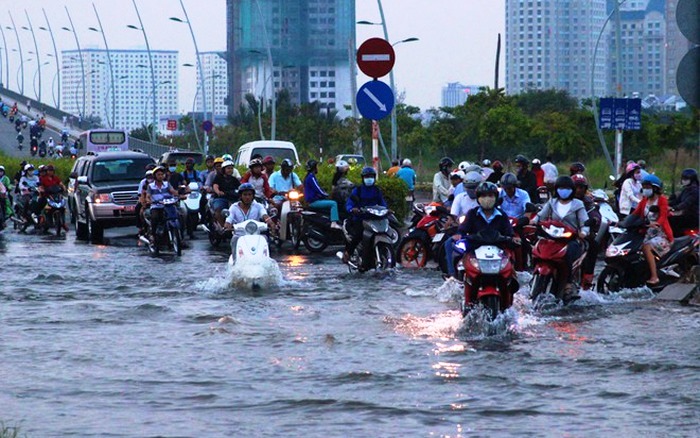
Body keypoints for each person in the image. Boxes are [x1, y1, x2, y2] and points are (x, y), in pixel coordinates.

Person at [531, 176, 590, 300]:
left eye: (567, 188)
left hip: (570, 240)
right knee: (538, 249)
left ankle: (568, 283)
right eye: (561, 188)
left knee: (568, 254)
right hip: (552, 238)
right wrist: (533, 221)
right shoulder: (552, 202)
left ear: (572, 190)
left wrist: (584, 232)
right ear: (556, 189)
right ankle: (534, 275)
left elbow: (584, 223)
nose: (563, 191)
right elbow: (541, 216)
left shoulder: (578, 204)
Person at [445, 182, 516, 282]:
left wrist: (514, 239)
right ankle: (453, 276)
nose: (487, 198)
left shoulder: (502, 215)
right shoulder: (472, 214)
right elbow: (462, 230)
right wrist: (459, 235)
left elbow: (509, 233)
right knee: (451, 245)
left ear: (496, 197)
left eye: (490, 195)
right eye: (483, 195)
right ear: (478, 198)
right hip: (475, 249)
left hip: (498, 251)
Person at [630, 175, 672, 286]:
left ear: (655, 188)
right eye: (644, 186)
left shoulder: (662, 200)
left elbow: (663, 216)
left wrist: (656, 224)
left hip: (661, 234)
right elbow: (635, 214)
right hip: (646, 232)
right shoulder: (644, 201)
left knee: (646, 247)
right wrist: (623, 222)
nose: (645, 189)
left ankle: (654, 277)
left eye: (648, 186)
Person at [342, 167, 387, 267]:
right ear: (363, 178)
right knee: (358, 235)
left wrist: (386, 209)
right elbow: (349, 203)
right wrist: (352, 209)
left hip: (374, 219)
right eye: (367, 177)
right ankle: (348, 253)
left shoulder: (376, 190)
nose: (369, 179)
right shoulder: (357, 191)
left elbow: (382, 203)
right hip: (361, 218)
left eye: (371, 177)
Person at [224, 182, 274, 261]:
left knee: (265, 239)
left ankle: (266, 261)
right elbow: (229, 219)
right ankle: (235, 261)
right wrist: (228, 225)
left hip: (256, 235)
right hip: (240, 235)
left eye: (250, 194)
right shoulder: (234, 207)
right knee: (234, 239)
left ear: (253, 196)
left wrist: (270, 222)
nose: (247, 197)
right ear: (240, 196)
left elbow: (265, 215)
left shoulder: (258, 206)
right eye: (245, 194)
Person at [572, 174, 601, 290]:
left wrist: (593, 220)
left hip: (582, 234)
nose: (578, 190)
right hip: (562, 232)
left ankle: (587, 279)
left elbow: (595, 215)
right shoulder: (561, 200)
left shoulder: (588, 202)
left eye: (581, 187)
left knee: (593, 246)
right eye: (576, 187)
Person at [143, 166, 181, 244]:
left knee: (180, 215)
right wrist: (149, 201)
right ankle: (153, 235)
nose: (160, 176)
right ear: (155, 176)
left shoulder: (167, 184)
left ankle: (180, 237)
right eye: (158, 175)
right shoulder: (151, 186)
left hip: (168, 206)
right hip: (156, 206)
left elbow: (173, 191)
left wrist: (180, 194)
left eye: (162, 174)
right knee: (155, 218)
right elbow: (148, 196)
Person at [304, 160, 342, 230]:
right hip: (313, 202)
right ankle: (334, 223)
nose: (317, 168)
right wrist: (326, 195)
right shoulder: (311, 177)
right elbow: (318, 189)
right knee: (333, 203)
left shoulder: (310, 177)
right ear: (314, 168)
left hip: (314, 200)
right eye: (317, 166)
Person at [669, 168, 699, 236]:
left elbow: (686, 203)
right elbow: (677, 201)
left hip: (693, 217)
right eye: (683, 178)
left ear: (692, 179)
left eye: (686, 178)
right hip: (686, 214)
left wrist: (673, 208)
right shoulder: (686, 189)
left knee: (672, 221)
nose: (683, 180)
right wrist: (665, 203)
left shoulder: (695, 191)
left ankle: (677, 241)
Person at [211, 161, 241, 227]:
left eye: (231, 168)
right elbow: (215, 185)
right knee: (218, 208)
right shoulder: (218, 177)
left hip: (232, 199)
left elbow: (240, 188)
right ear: (224, 169)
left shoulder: (234, 179)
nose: (230, 170)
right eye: (228, 168)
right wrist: (218, 191)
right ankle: (222, 227)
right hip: (221, 198)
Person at [137, 165, 156, 236]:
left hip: (158, 202)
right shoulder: (143, 183)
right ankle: (141, 227)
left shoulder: (159, 182)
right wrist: (144, 203)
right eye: (148, 176)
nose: (150, 178)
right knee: (140, 210)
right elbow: (140, 194)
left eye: (151, 176)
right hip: (147, 201)